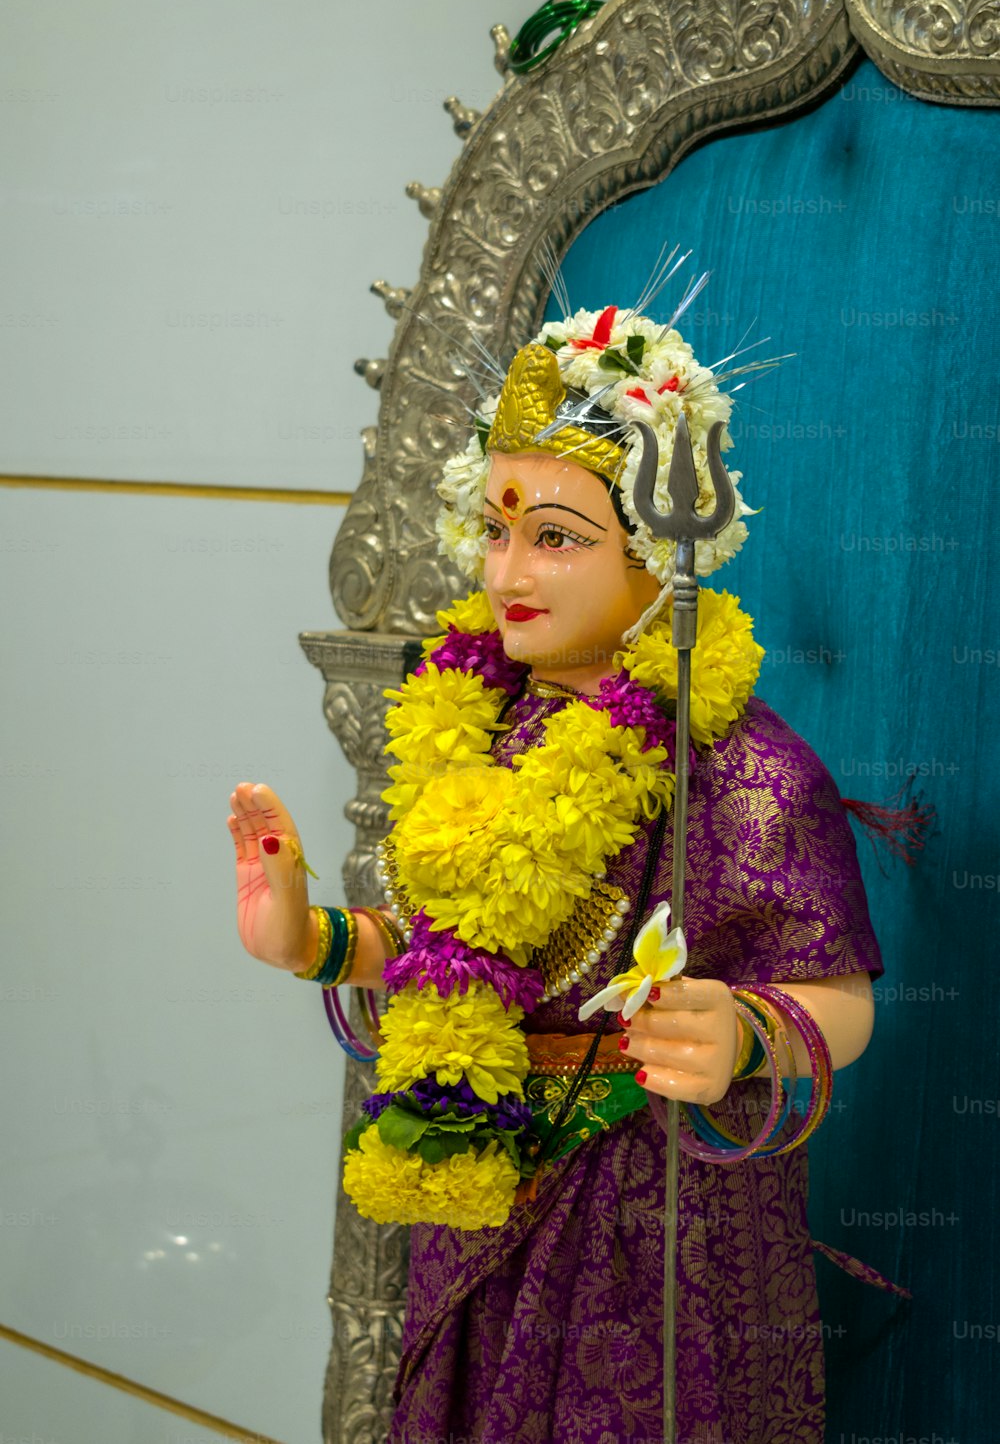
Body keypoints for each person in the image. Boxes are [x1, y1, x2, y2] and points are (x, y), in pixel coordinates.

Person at [229, 301, 888, 1443]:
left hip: (662, 1213)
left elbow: (840, 997)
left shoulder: (748, 769)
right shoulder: (479, 729)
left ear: (664, 545)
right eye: (494, 527)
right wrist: (312, 940)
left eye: (558, 537)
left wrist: (739, 1032)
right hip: (476, 1168)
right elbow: (447, 948)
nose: (507, 569)